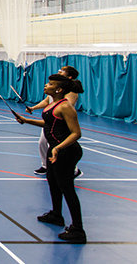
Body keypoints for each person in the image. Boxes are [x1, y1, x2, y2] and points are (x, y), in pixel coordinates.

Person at [15, 74, 87, 243]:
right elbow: (49, 124)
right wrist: (26, 120)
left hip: (66, 150)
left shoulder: (66, 107)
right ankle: (56, 214)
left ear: (59, 89)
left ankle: (78, 230)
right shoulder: (52, 104)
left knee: (67, 188)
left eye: (50, 84)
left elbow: (77, 133)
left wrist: (58, 148)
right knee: (53, 182)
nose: (46, 85)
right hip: (54, 149)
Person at [26, 66, 85, 178]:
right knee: (42, 143)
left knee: (61, 147)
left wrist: (53, 112)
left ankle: (74, 170)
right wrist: (33, 108)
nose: (58, 71)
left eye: (62, 71)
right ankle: (45, 166)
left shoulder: (69, 92)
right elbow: (47, 101)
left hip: (60, 123)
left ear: (69, 76)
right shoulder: (55, 88)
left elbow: (67, 107)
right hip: (50, 120)